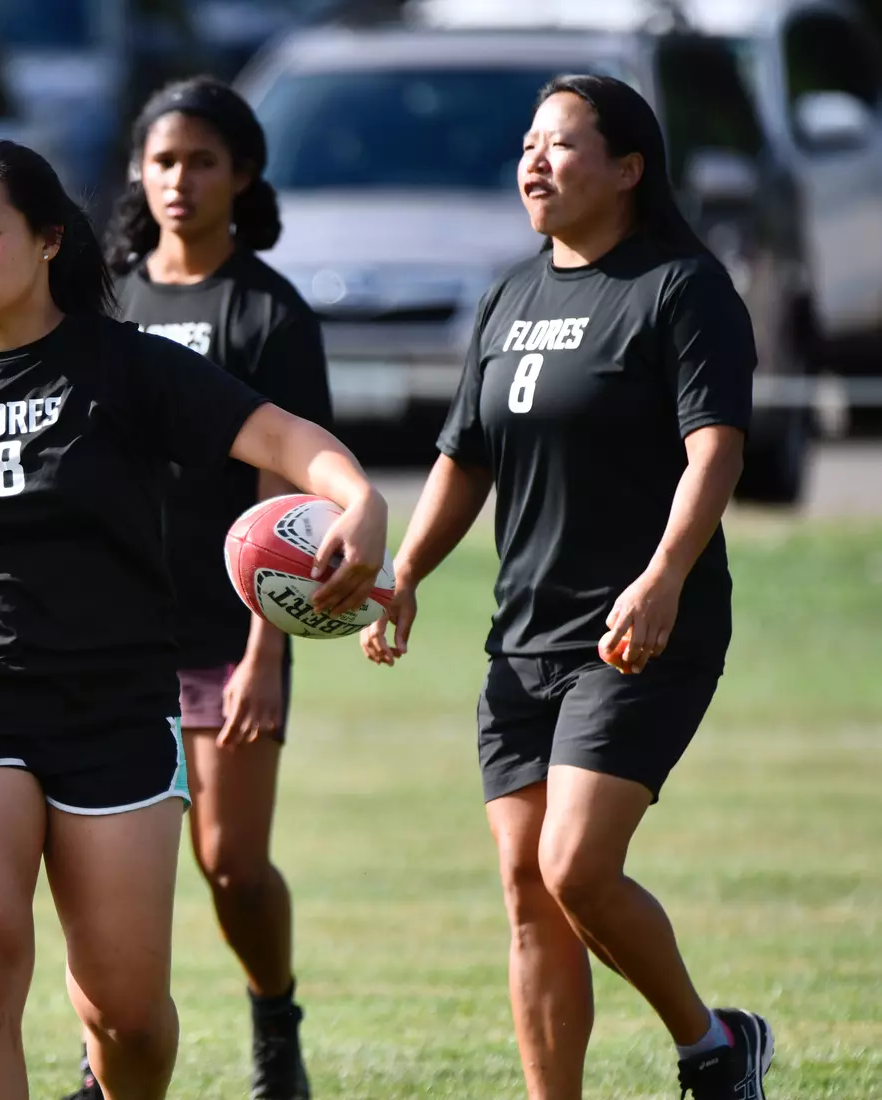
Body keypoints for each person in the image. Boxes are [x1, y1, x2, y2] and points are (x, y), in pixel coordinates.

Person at [0, 139, 388, 1100]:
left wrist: (359, 500)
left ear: (48, 239)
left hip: (114, 708)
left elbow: (283, 437)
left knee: (128, 1018)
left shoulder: (126, 368)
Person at [359, 74, 773, 1100]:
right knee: (527, 892)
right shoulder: (509, 292)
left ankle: (712, 1043)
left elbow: (714, 450)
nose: (533, 161)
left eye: (562, 145)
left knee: (575, 865)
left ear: (628, 169)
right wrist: (405, 570)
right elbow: (464, 454)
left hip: (638, 627)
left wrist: (664, 573)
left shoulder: (680, 286)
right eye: (528, 145)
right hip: (522, 637)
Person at [51, 76, 334, 1100]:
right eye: (163, 160)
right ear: (138, 169)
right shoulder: (106, 300)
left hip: (227, 636)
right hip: (112, 635)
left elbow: (285, 500)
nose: (179, 179)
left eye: (202, 161)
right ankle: (101, 1057)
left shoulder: (266, 310)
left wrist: (268, 648)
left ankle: (273, 1015)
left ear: (241, 174)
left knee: (230, 865)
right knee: (107, 864)